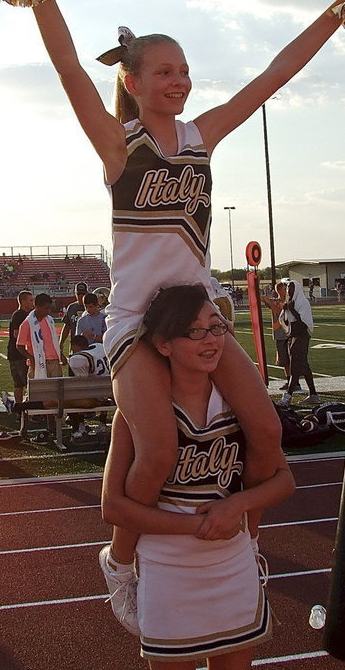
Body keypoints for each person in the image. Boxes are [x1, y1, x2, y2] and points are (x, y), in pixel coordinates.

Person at [32, 0, 345, 628]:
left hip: (197, 313)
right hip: (137, 322)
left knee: (265, 431)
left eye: (184, 70)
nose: (179, 81)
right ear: (135, 81)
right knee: (156, 452)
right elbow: (68, 68)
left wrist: (342, 7)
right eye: (164, 71)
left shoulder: (202, 135)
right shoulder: (120, 146)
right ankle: (120, 561)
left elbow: (274, 74)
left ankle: (248, 543)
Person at [101, 284, 295, 665]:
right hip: (167, 572)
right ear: (163, 344)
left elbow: (285, 479)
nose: (210, 340)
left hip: (234, 563)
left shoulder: (238, 404)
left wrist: (236, 505)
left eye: (216, 326)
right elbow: (114, 508)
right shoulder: (138, 414)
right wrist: (197, 526)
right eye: (194, 331)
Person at [278, 279, 320, 407]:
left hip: (301, 337)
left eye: (291, 287)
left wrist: (292, 311)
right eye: (288, 288)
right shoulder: (289, 303)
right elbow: (283, 320)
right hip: (293, 336)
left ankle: (288, 396)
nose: (288, 290)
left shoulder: (302, 302)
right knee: (303, 366)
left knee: (295, 367)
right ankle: (313, 394)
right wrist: (286, 310)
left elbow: (304, 324)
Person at [67, 333, 111, 436]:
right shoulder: (100, 347)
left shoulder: (78, 359)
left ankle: (80, 426)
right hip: (109, 392)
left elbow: (82, 385)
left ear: (74, 346)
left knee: (78, 393)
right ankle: (102, 422)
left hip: (94, 396)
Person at [262, 281, 302, 394]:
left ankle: (295, 382)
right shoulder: (276, 302)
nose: (286, 291)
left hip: (290, 333)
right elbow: (265, 300)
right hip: (280, 334)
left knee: (292, 359)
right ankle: (289, 380)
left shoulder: (289, 301)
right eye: (284, 289)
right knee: (284, 360)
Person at [16, 293, 65, 382]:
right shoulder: (27, 324)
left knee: (57, 392)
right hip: (38, 362)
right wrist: (31, 358)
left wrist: (60, 355)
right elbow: (19, 346)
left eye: (50, 308)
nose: (48, 311)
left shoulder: (49, 320)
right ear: (37, 307)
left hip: (54, 361)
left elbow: (53, 341)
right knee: (38, 393)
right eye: (46, 308)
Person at [3, 290, 34, 411]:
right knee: (25, 383)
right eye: (30, 300)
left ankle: (19, 409)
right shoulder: (19, 315)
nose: (32, 302)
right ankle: (24, 408)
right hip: (20, 354)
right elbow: (17, 334)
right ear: (23, 301)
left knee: (19, 384)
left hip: (15, 353)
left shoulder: (23, 314)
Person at [59, 282, 88, 358]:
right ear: (75, 293)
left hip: (89, 344)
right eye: (78, 294)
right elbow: (67, 326)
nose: (81, 296)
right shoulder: (72, 307)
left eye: (83, 294)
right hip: (75, 345)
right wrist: (61, 342)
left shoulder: (91, 308)